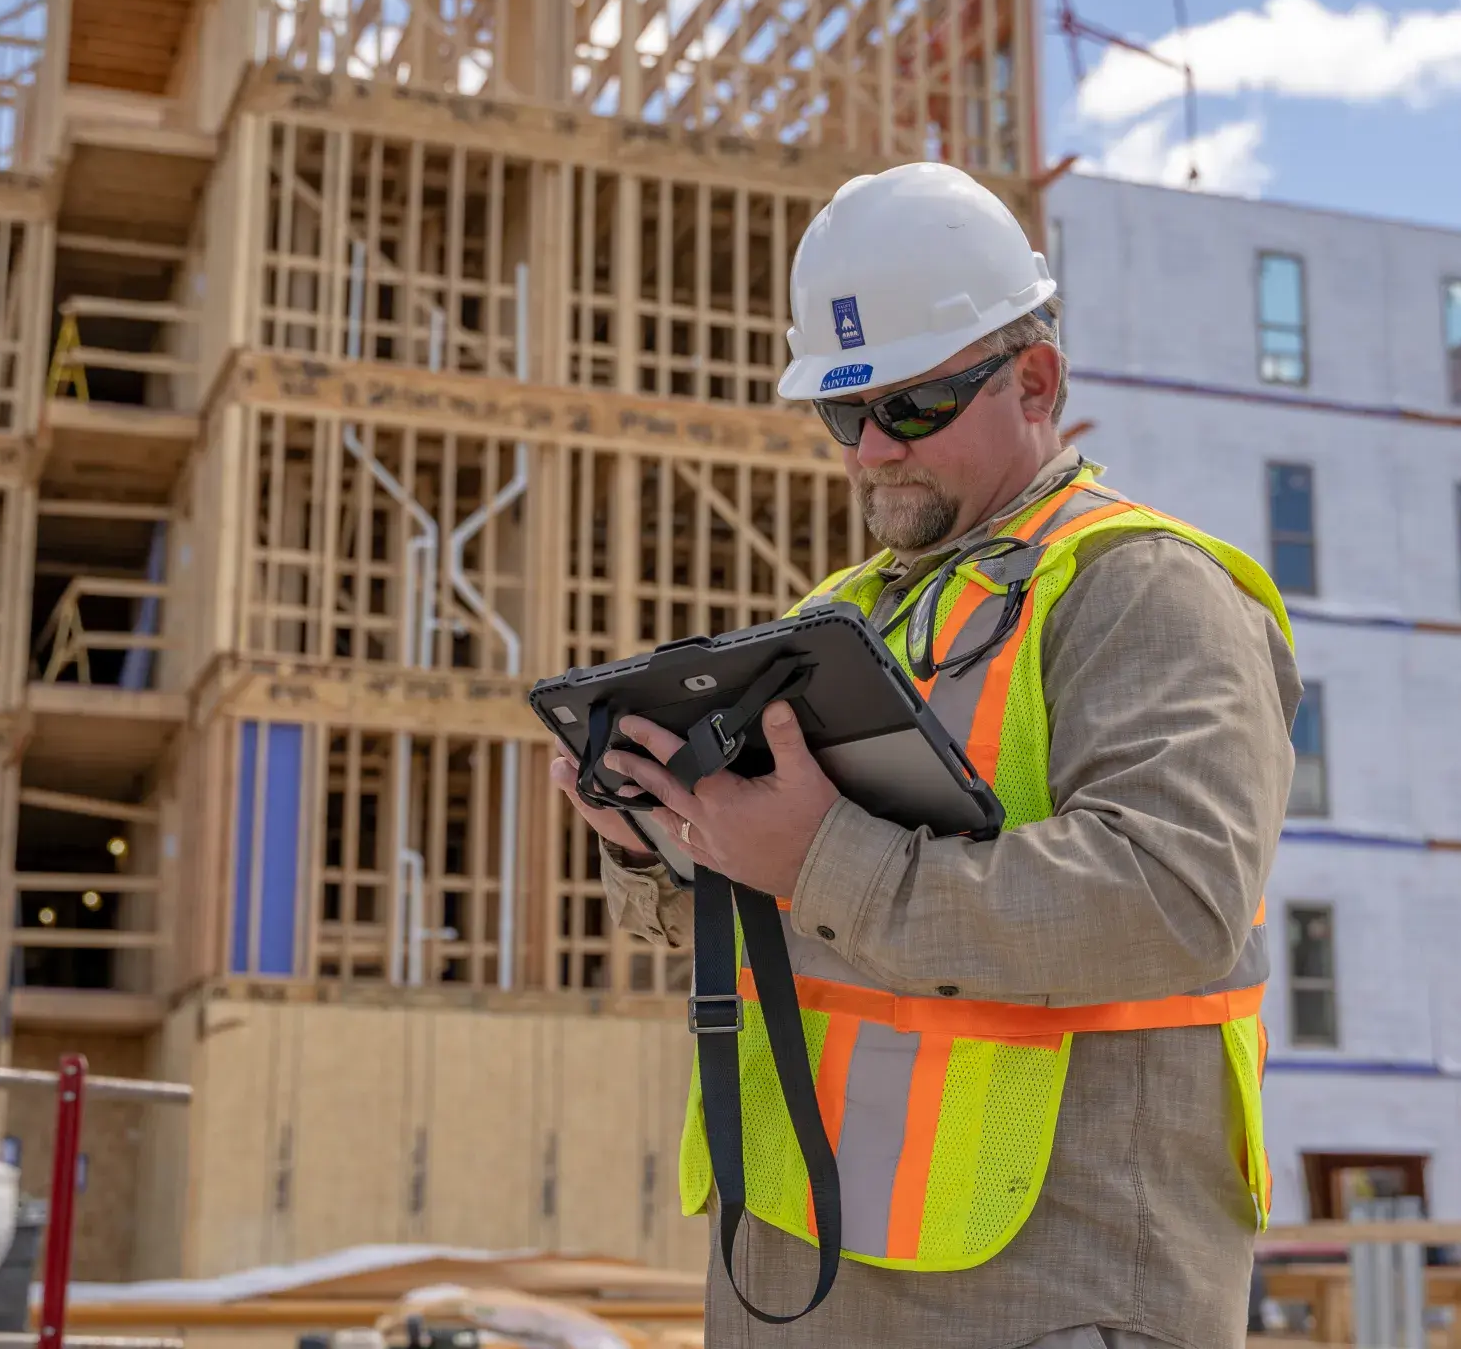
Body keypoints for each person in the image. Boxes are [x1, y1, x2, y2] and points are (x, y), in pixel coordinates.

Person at [549, 161, 1303, 1349]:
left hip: (1050, 1286)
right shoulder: (843, 615)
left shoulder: (1142, 591)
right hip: (804, 1269)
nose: (873, 451)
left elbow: (1174, 898)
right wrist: (665, 842)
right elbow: (801, 921)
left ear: (1035, 379)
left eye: (911, 408)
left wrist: (818, 858)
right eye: (844, 415)